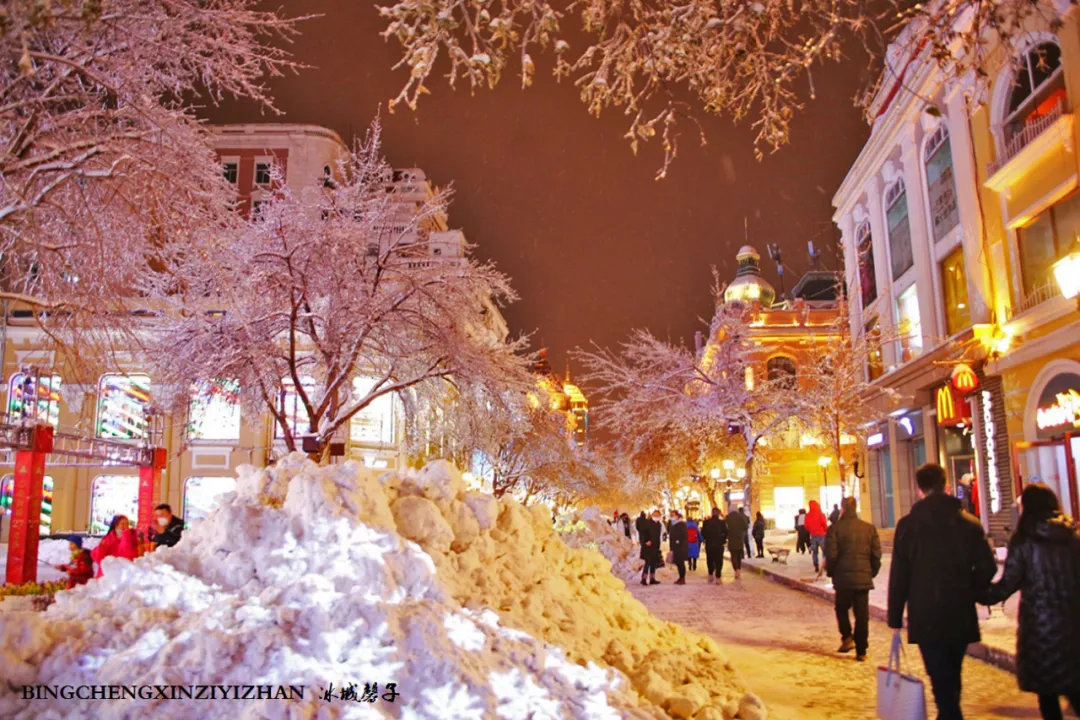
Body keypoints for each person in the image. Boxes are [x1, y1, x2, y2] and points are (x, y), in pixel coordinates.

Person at [888, 463, 997, 720]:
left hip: (925, 613)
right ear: (946, 486)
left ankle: (949, 714)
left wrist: (895, 617)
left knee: (939, 675)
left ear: (919, 490)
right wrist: (970, 587)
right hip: (959, 610)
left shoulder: (907, 526)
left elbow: (899, 575)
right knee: (953, 673)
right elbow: (988, 566)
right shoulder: (969, 524)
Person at [980, 483, 1080, 720]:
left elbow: (1007, 584)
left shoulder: (1024, 540)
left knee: (1048, 695)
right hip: (1074, 625)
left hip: (1040, 630)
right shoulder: (1073, 536)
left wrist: (978, 593)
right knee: (1076, 687)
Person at [825, 496, 881, 662]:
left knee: (841, 609)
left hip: (842, 578)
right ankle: (861, 650)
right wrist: (871, 572)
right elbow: (876, 554)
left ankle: (847, 637)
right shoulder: (869, 529)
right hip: (863, 578)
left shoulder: (834, 529)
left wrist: (832, 572)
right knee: (862, 614)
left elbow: (831, 554)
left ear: (842, 509)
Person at [701, 507, 728, 583]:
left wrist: (707, 539)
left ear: (712, 513)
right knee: (719, 560)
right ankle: (718, 577)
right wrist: (723, 540)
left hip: (709, 544)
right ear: (719, 513)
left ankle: (710, 575)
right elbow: (726, 533)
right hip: (719, 545)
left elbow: (703, 533)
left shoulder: (706, 522)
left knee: (710, 559)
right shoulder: (722, 523)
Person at [726, 505, 750, 580]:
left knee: (733, 555)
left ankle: (736, 569)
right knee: (739, 555)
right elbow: (745, 526)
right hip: (740, 538)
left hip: (731, 539)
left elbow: (725, 528)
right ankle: (739, 569)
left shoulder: (727, 517)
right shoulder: (740, 517)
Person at [640, 510, 663, 586]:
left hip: (655, 546)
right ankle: (644, 578)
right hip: (648, 546)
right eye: (655, 515)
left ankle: (652, 578)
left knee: (653, 563)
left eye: (657, 515)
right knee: (647, 563)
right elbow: (643, 533)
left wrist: (658, 546)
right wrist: (646, 541)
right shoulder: (647, 523)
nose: (656, 516)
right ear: (652, 515)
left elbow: (658, 536)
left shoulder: (659, 524)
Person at [806, 500, 829, 573]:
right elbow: (824, 523)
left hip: (813, 535)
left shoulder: (808, 515)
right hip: (822, 535)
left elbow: (806, 526)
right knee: (824, 551)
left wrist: (811, 530)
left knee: (814, 552)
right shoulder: (820, 514)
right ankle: (825, 566)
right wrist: (826, 530)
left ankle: (816, 566)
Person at [669, 510, 689, 585]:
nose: (672, 517)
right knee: (678, 562)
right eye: (671, 515)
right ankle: (681, 577)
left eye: (673, 515)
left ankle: (682, 578)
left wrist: (680, 543)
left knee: (680, 562)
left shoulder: (681, 524)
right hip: (676, 547)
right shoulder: (673, 524)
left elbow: (683, 536)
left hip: (680, 547)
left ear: (677, 516)